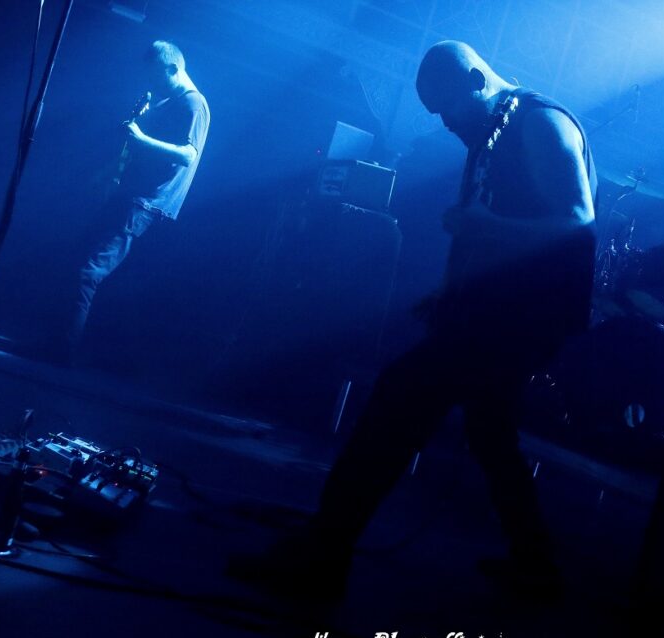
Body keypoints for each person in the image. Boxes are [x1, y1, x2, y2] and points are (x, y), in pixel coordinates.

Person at [233, 40, 597, 600]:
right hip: (492, 313)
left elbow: (577, 224)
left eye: (448, 107)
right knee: (490, 432)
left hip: (521, 321)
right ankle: (536, 565)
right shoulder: (492, 130)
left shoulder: (541, 123)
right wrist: (453, 294)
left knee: (397, 401)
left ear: (476, 80)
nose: (445, 123)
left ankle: (322, 557)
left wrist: (485, 227)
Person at [65, 40, 209, 360]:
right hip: (132, 197)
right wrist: (109, 170)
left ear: (173, 68)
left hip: (145, 203)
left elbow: (188, 154)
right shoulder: (167, 102)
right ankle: (61, 344)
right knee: (80, 264)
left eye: (156, 76)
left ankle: (62, 351)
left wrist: (142, 138)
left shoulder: (193, 103)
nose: (151, 83)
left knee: (89, 272)